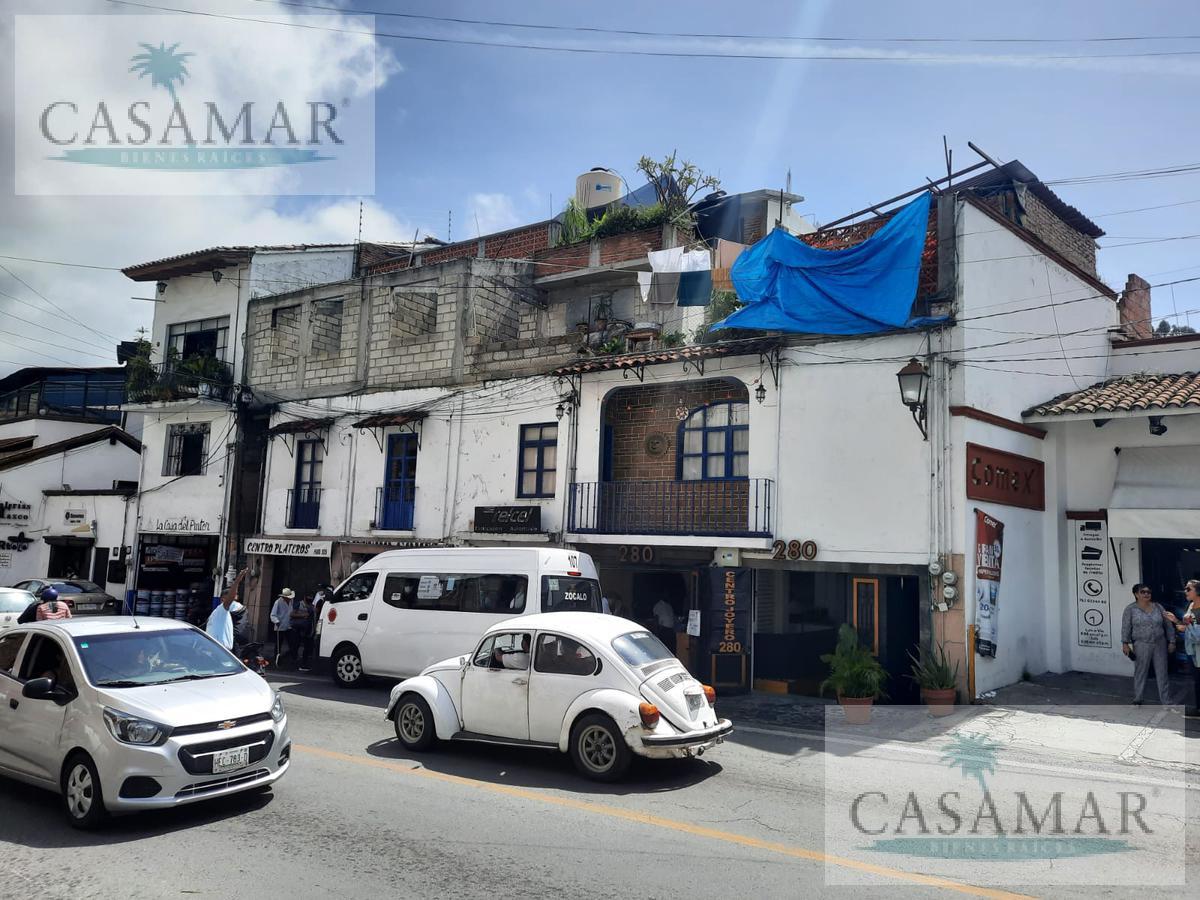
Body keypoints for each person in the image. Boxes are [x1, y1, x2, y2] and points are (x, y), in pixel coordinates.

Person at [1121, 583, 1176, 706]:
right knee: (1141, 671)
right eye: (1143, 592)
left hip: (1159, 643)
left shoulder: (1158, 607)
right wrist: (1125, 643)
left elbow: (1168, 625)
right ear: (1136, 594)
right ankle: (1138, 698)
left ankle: (1166, 700)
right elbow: (1126, 627)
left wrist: (1171, 641)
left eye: (1148, 592)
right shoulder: (1130, 609)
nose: (1146, 594)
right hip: (1141, 644)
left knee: (1162, 672)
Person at [1164, 579, 1200, 718]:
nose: (1185, 591)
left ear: (1198, 591)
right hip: (1192, 651)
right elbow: (1188, 627)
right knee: (1197, 680)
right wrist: (1176, 621)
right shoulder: (1191, 606)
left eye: (1188, 589)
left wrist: (1185, 628)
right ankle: (1198, 709)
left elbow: (1195, 632)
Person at [206, 569, 247, 650]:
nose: (233, 602)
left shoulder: (223, 611)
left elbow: (231, 596)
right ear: (222, 599)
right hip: (214, 649)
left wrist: (237, 581)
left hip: (221, 650)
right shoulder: (219, 611)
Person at [291, 593, 315, 672]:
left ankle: (304, 664)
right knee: (296, 646)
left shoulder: (312, 606)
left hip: (307, 629)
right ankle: (294, 663)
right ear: (304, 598)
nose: (309, 600)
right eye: (308, 598)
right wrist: (303, 615)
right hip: (298, 629)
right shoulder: (299, 604)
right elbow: (292, 614)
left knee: (307, 648)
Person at [271, 588, 295, 664]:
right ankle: (276, 660)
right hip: (280, 626)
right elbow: (273, 615)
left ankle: (292, 658)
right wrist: (277, 621)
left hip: (289, 626)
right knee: (278, 645)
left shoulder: (291, 601)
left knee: (292, 643)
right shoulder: (277, 602)